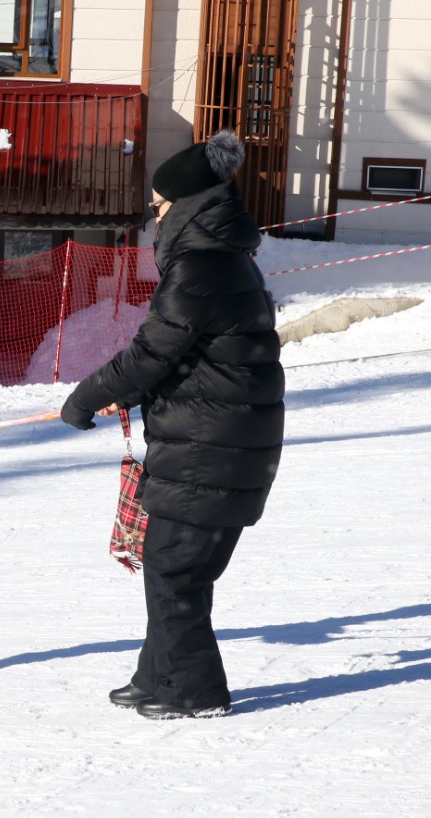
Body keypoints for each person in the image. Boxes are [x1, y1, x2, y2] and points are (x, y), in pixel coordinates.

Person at [60, 131, 285, 719]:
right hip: (213, 443)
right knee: (172, 567)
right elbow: (192, 359)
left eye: (157, 206)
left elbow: (150, 354)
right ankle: (157, 676)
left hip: (212, 450)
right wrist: (138, 394)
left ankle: (194, 692)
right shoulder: (221, 262)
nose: (153, 218)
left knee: (175, 575)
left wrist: (86, 398)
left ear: (184, 207)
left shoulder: (200, 268)